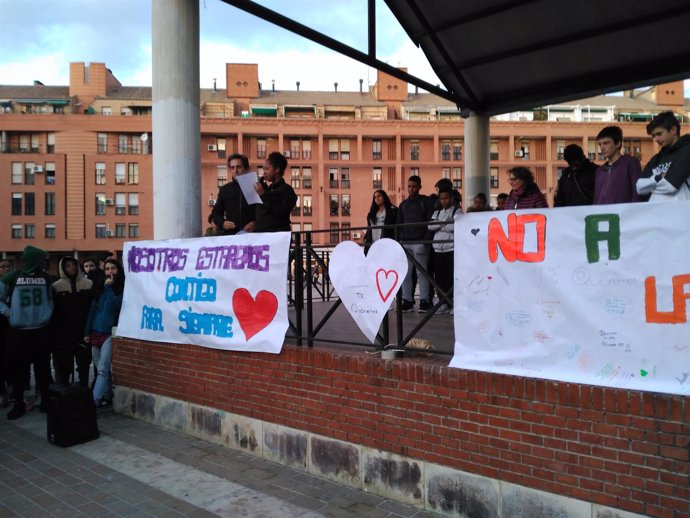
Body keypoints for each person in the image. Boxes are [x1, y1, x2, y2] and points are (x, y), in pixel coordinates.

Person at [0, 246, 54, 420]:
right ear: (35, 260)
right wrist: (10, 314)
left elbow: (50, 299)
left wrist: (46, 314)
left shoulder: (46, 278)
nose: (44, 263)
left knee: (43, 368)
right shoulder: (12, 277)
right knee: (18, 369)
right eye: (41, 260)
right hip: (18, 330)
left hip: (41, 329)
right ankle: (18, 404)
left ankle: (45, 401)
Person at [85, 258, 125, 407]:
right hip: (95, 332)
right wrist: (86, 332)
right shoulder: (99, 289)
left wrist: (109, 288)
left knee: (102, 369)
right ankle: (107, 395)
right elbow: (92, 311)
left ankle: (93, 401)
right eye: (107, 269)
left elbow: (116, 304)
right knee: (99, 367)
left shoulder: (121, 289)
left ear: (118, 271)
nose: (110, 272)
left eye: (113, 268)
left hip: (109, 333)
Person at [51, 256, 93, 387]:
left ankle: (84, 392)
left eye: (73, 265)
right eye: (68, 265)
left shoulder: (88, 284)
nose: (72, 268)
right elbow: (55, 311)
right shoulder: (56, 286)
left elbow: (91, 307)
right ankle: (64, 395)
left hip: (83, 332)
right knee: (64, 366)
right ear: (62, 268)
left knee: (84, 364)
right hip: (64, 333)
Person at [396, 175, 434, 313]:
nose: (411, 189)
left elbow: (431, 221)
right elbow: (399, 224)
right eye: (409, 186)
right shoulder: (403, 205)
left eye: (413, 186)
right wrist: (400, 241)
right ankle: (408, 300)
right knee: (406, 273)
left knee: (422, 272)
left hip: (419, 243)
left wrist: (425, 241)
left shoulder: (426, 202)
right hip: (406, 243)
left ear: (419, 187)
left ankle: (424, 300)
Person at [636, 111, 690, 201]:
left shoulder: (687, 150)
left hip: (682, 212)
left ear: (673, 130)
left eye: (659, 134)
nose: (656, 139)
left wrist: (650, 186)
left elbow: (671, 186)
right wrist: (659, 178)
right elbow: (639, 188)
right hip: (657, 212)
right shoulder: (656, 159)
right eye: (653, 136)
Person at [428, 187, 459, 314]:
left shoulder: (457, 211)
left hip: (451, 249)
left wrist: (440, 225)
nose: (444, 201)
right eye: (441, 199)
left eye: (446, 198)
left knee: (451, 277)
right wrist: (444, 223)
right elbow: (430, 226)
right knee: (439, 278)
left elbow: (455, 226)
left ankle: (453, 303)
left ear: (451, 198)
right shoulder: (437, 212)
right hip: (438, 250)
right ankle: (443, 302)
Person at [593, 126, 642, 204]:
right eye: (600, 144)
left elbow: (637, 193)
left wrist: (633, 213)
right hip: (602, 214)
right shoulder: (600, 171)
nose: (602, 148)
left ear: (618, 143)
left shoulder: (630, 163)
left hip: (624, 214)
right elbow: (596, 198)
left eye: (606, 143)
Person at [212, 153, 256, 235]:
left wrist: (256, 223)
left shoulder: (256, 187)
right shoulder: (224, 190)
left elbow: (265, 212)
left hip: (253, 236)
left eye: (239, 167)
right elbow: (216, 213)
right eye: (232, 168)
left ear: (246, 168)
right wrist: (222, 223)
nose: (235, 170)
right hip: (231, 237)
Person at [253, 151, 298, 232]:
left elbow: (280, 213)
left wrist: (263, 195)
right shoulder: (267, 189)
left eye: (267, 169)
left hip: (277, 237)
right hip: (261, 235)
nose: (264, 172)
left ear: (277, 169)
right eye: (263, 169)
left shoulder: (287, 190)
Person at [0, 259, 11, 408]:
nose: (6, 269)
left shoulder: (12, 283)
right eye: (2, 266)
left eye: (8, 266)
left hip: (10, 326)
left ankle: (11, 389)